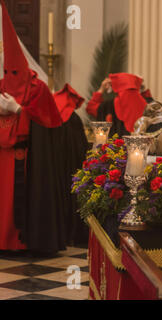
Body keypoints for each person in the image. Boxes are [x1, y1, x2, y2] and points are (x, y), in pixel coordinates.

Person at [0, 0, 67, 254]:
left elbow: (46, 125)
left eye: (14, 72)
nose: (9, 77)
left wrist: (19, 110)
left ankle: (22, 240)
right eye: (6, 72)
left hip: (27, 159)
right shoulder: (2, 85)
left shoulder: (37, 88)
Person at [53, 84, 90, 246]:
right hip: (72, 167)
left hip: (55, 167)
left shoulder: (52, 116)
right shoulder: (74, 119)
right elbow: (81, 146)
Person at [86, 73, 160, 137]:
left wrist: (101, 89)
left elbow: (91, 108)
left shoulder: (109, 105)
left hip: (116, 149)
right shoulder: (149, 104)